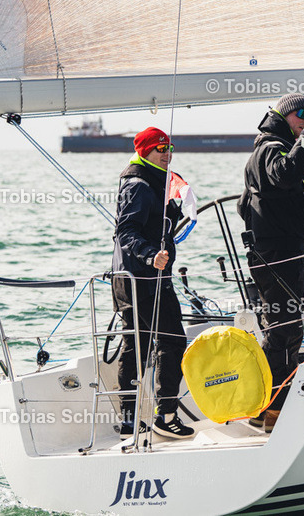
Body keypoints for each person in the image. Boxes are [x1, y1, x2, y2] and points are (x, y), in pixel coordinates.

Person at [239, 93, 304, 429]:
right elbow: (285, 174)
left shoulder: (278, 145)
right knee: (281, 329)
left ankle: (277, 406)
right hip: (273, 254)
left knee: (289, 330)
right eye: (301, 114)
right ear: (287, 115)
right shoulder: (269, 148)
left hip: (283, 250)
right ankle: (265, 408)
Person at [111, 127, 194, 439]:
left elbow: (152, 224)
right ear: (145, 151)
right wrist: (149, 255)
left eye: (169, 147)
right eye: (160, 149)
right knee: (172, 341)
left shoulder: (153, 182)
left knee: (137, 345)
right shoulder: (139, 185)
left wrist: (174, 206)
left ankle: (129, 421)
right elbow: (126, 231)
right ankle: (166, 416)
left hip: (132, 278)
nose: (167, 153)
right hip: (144, 278)